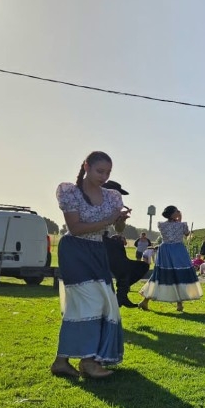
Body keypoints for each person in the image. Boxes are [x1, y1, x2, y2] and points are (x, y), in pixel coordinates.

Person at [52, 151, 128, 379]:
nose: (104, 176)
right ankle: (88, 362)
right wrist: (108, 219)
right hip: (74, 250)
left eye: (108, 172)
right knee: (92, 302)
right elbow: (75, 228)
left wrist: (120, 221)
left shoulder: (113, 196)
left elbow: (117, 231)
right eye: (100, 171)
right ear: (86, 166)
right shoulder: (70, 192)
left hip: (97, 251)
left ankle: (61, 361)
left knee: (102, 302)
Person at [139, 205, 203, 312]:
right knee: (178, 275)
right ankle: (179, 304)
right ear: (173, 214)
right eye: (177, 211)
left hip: (165, 250)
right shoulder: (182, 225)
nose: (179, 212)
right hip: (177, 251)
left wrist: (179, 219)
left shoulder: (162, 225)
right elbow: (187, 234)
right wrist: (180, 219)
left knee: (161, 276)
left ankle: (146, 301)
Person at [101, 181, 149, 308]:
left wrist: (121, 220)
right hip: (92, 242)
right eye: (117, 194)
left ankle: (122, 295)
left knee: (139, 267)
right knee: (122, 261)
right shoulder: (95, 202)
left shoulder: (114, 207)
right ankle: (121, 295)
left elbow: (119, 228)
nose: (119, 198)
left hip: (103, 240)